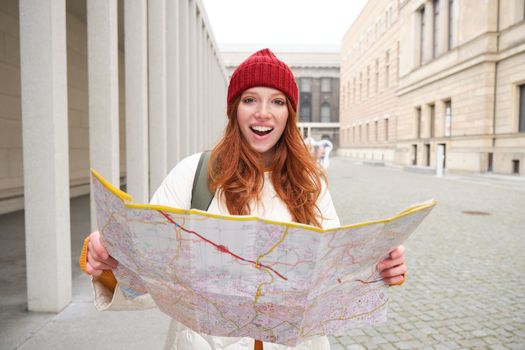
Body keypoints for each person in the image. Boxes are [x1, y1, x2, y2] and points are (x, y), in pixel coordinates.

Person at [81, 48, 407, 350]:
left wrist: (373, 269)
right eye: (250, 99)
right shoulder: (192, 174)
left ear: (290, 113)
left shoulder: (311, 185)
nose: (263, 113)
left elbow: (333, 279)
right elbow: (151, 276)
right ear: (234, 109)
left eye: (277, 102)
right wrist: (112, 263)